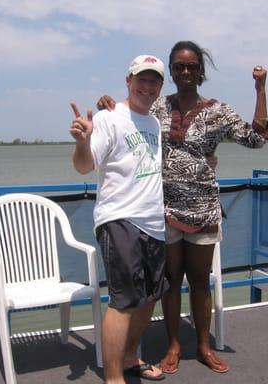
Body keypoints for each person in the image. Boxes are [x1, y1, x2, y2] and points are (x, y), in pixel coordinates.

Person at [96, 41, 268, 375]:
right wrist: (106, 103)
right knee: (171, 280)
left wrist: (260, 89)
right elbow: (129, 115)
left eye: (192, 66)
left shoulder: (218, 110)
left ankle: (204, 346)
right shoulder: (157, 107)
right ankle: (174, 344)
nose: (186, 71)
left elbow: (256, 139)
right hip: (162, 208)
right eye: (179, 66)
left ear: (201, 71)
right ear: (172, 71)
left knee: (200, 281)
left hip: (203, 207)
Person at [70, 54, 168, 383]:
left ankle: (129, 358)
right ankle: (113, 378)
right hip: (119, 219)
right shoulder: (110, 117)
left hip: (153, 222)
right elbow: (84, 166)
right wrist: (83, 141)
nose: (147, 86)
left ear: (159, 87)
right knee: (124, 301)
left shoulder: (154, 123)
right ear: (128, 81)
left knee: (148, 298)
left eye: (154, 80)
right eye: (141, 79)